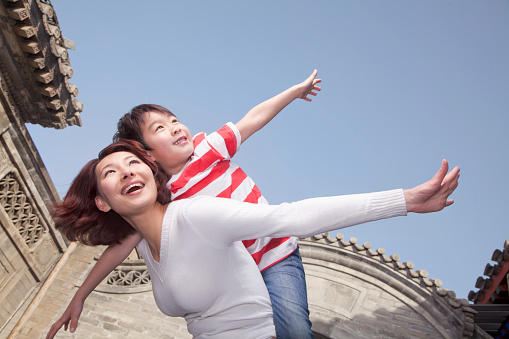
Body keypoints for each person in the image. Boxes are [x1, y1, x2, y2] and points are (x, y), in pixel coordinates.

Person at [47, 139, 459, 339]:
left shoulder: (197, 215)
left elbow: (291, 216)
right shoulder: (141, 242)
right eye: (112, 172)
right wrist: (79, 297)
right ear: (103, 202)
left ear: (153, 177)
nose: (128, 172)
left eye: (134, 163)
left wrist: (404, 200)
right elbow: (112, 253)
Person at [49, 70, 322, 339]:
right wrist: (80, 295)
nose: (176, 127)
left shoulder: (208, 149)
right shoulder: (159, 196)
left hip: (275, 254)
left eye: (174, 120)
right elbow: (121, 246)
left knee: (295, 330)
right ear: (145, 153)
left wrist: (295, 92)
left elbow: (253, 119)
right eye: (160, 128)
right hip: (234, 277)